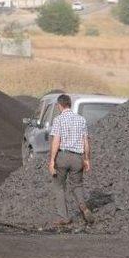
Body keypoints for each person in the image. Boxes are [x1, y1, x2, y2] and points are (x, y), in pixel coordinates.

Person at [47, 94, 94, 226]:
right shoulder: (81, 120)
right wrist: (87, 159)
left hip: (62, 156)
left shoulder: (58, 120)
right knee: (77, 185)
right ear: (70, 104)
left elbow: (56, 141)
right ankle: (83, 207)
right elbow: (86, 142)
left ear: (59, 105)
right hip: (78, 158)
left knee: (59, 187)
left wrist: (51, 161)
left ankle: (64, 217)